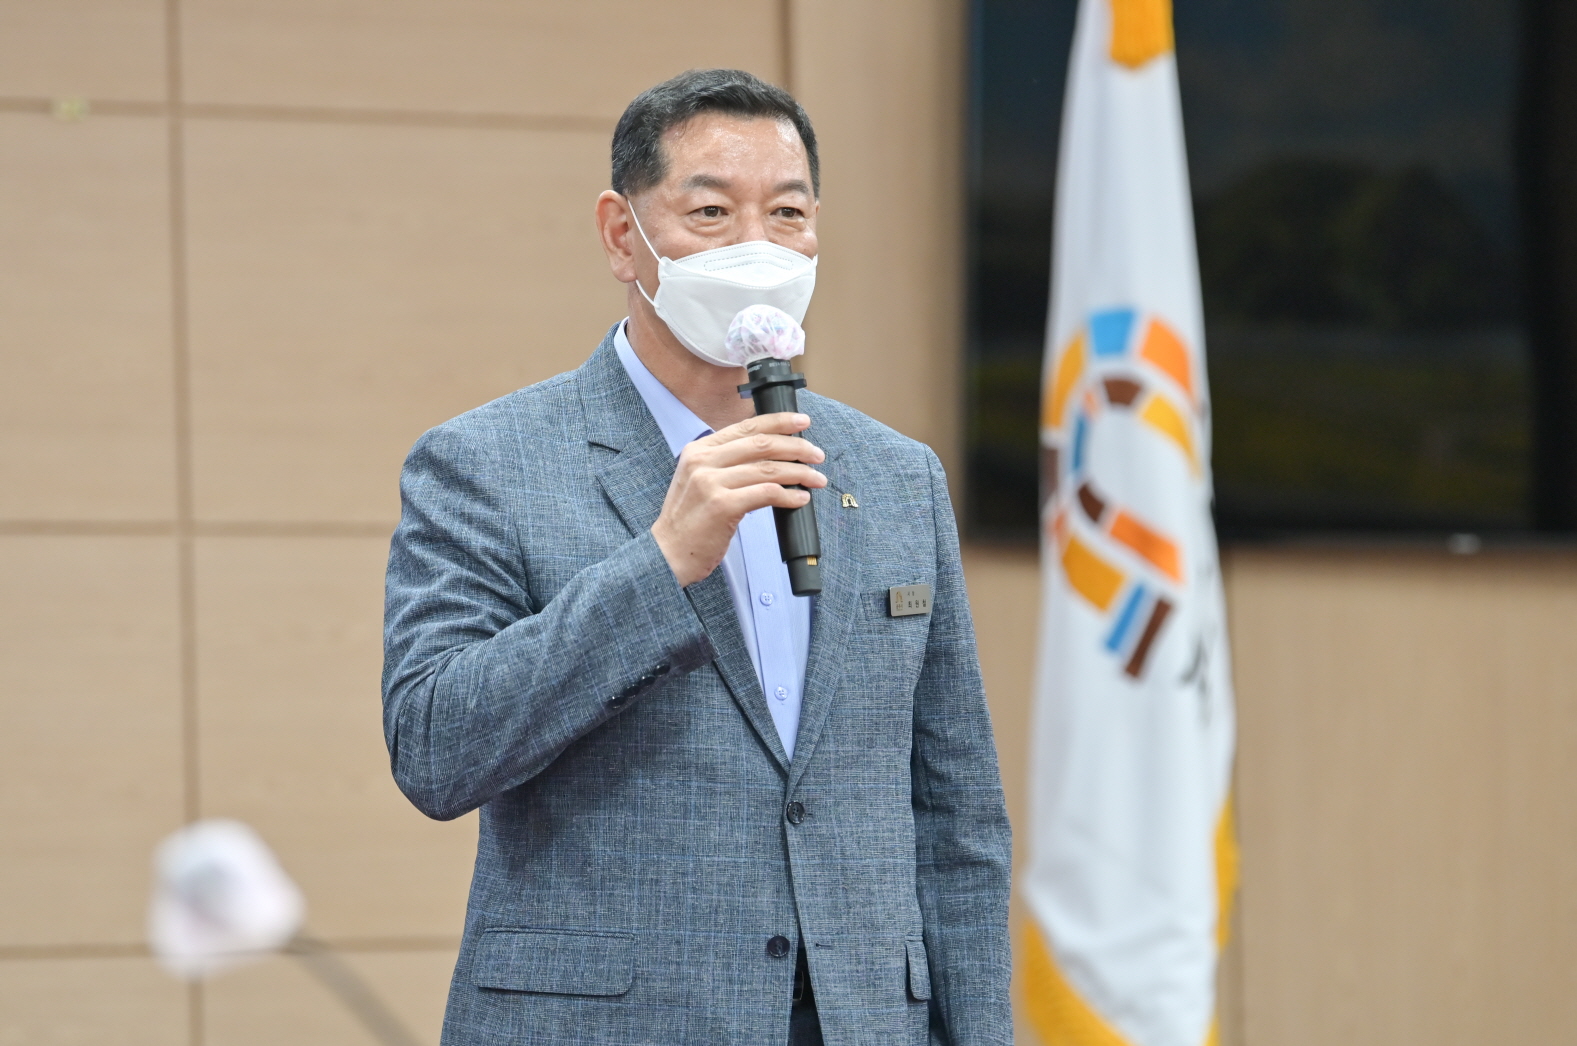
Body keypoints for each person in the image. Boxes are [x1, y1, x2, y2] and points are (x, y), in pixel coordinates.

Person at [382, 68, 1011, 1046]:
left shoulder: (895, 475)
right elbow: (435, 749)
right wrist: (659, 564)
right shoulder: (487, 462)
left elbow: (956, 811)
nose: (757, 246)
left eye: (786, 213)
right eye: (711, 212)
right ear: (620, 234)